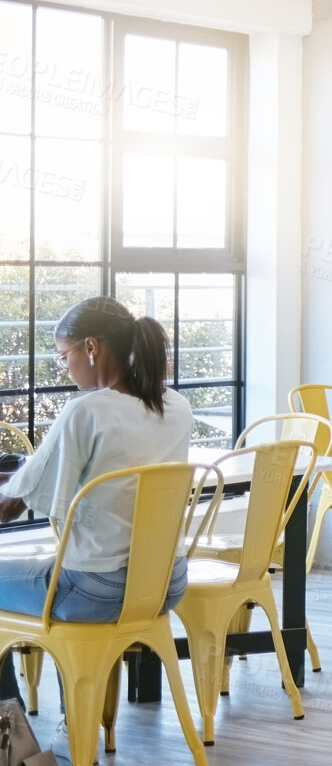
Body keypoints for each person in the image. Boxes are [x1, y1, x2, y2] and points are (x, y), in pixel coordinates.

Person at [0, 298, 195, 702]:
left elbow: (10, 506)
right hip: (164, 583)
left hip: (97, 589)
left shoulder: (85, 411)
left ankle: (14, 743)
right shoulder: (176, 405)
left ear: (91, 347)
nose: (65, 368)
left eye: (63, 356)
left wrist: (16, 484)